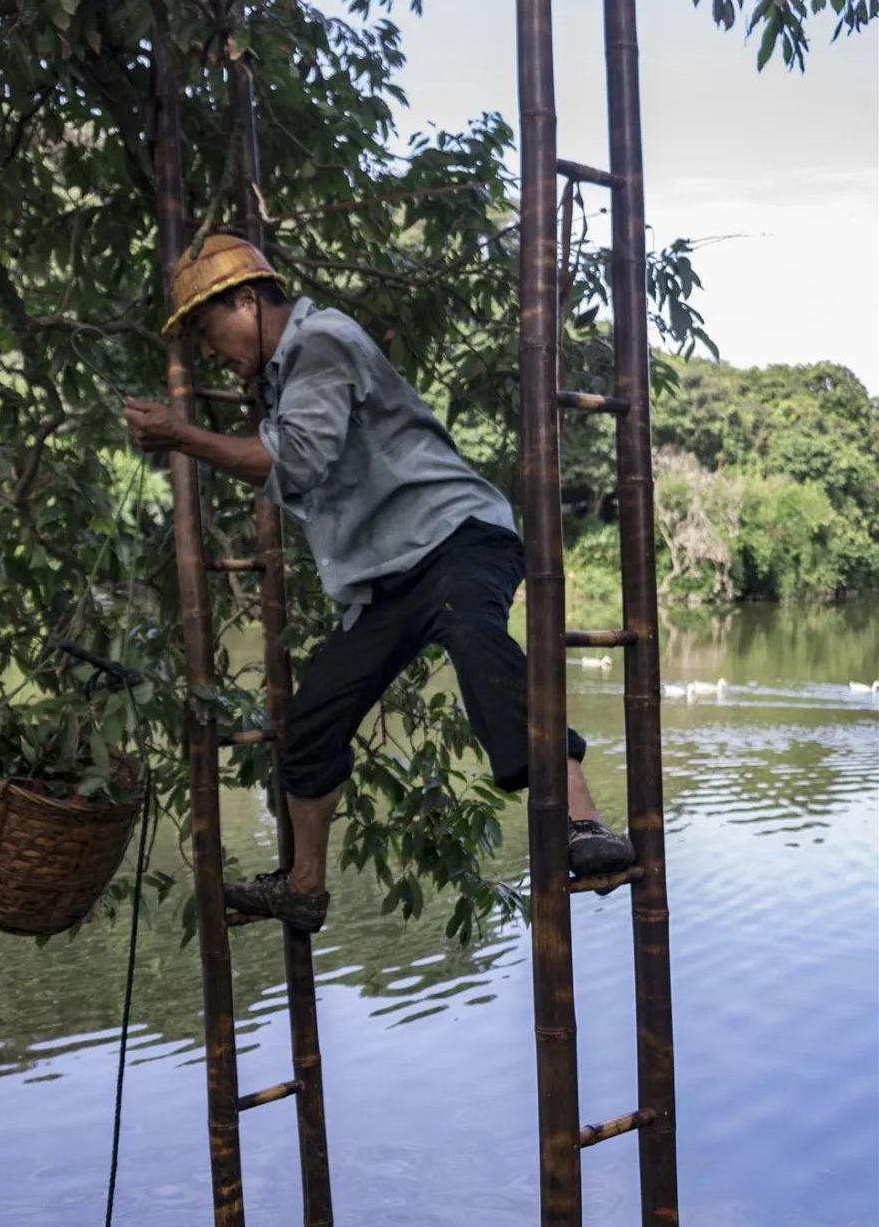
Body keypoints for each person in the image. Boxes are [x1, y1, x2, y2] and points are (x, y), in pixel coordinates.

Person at [123, 233, 635, 932]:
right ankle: (303, 887)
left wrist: (182, 436)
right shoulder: (282, 377)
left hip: (458, 539)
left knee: (472, 632)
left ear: (246, 301)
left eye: (209, 332)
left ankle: (581, 822)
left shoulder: (321, 343)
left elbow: (296, 463)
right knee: (311, 719)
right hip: (388, 580)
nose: (209, 352)